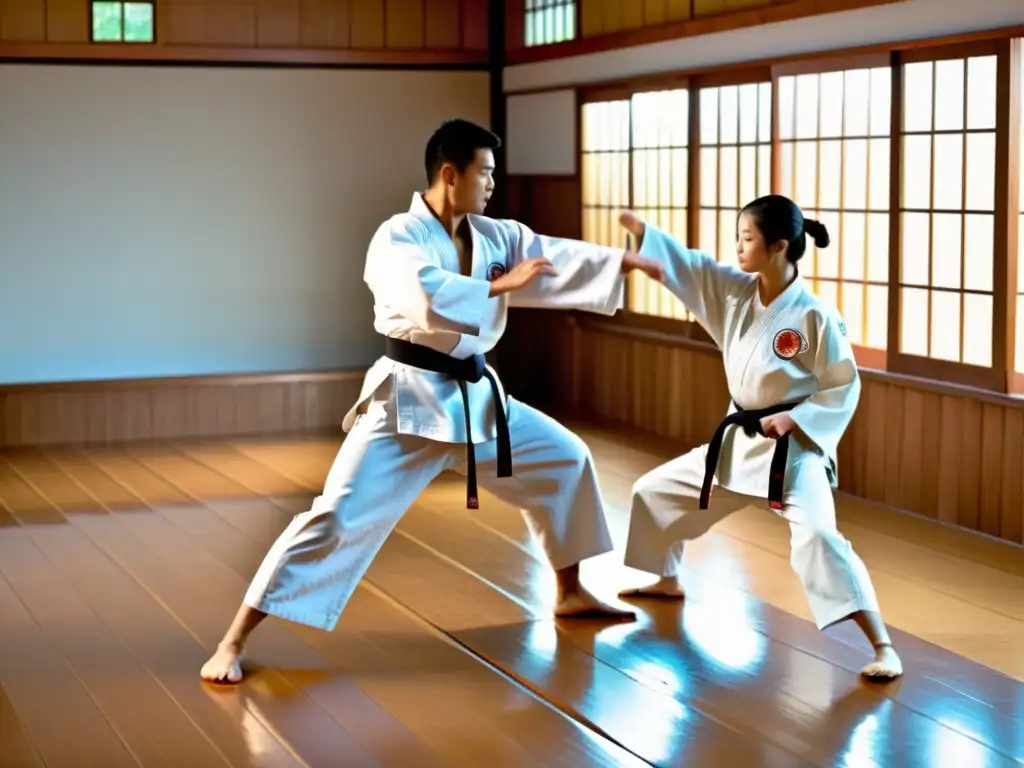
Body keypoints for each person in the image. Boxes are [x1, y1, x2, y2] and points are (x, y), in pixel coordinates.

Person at [200, 118, 665, 684]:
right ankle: (233, 639)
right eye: (485, 173)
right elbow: (421, 294)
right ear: (451, 173)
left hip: (475, 397)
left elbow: (551, 258)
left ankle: (569, 592)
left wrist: (623, 262)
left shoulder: (496, 237)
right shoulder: (397, 237)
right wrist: (495, 288)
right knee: (336, 518)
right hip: (407, 406)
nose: (493, 184)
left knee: (566, 460)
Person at [615, 195, 903, 680]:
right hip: (738, 442)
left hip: (792, 454)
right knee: (653, 492)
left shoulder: (814, 315)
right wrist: (650, 240)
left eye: (747, 239)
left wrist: (799, 418)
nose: (739, 248)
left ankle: (883, 646)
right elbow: (698, 270)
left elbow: (844, 384)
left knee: (818, 537)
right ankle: (666, 580)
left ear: (780, 246)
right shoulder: (736, 292)